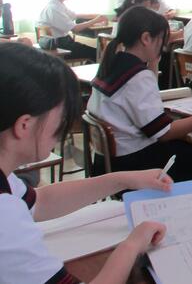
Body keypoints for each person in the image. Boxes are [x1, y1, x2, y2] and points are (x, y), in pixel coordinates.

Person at [0, 42, 171, 284]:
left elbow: (40, 202)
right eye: (61, 118)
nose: (63, 127)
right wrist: (132, 245)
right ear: (24, 125)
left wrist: (124, 179)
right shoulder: (4, 216)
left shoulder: (5, 180)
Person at [88, 6, 192, 180]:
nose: (163, 46)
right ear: (146, 38)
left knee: (186, 146)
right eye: (161, 40)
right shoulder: (137, 77)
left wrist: (153, 63)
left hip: (107, 161)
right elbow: (164, 133)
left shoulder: (114, 65)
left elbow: (143, 101)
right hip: (133, 163)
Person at [37, 0, 108, 61]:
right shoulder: (53, 8)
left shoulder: (57, 4)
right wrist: (96, 20)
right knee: (99, 53)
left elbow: (75, 16)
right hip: (60, 46)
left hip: (62, 43)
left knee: (98, 52)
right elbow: (75, 29)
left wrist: (98, 15)